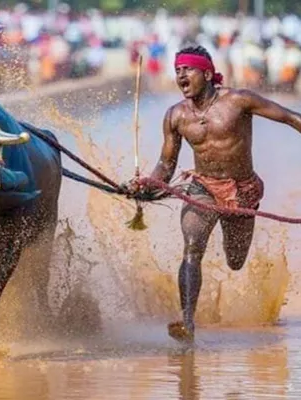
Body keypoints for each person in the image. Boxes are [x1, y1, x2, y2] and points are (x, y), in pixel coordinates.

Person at [124, 45, 301, 344]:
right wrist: (146, 185)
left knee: (235, 260)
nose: (180, 75)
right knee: (192, 246)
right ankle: (187, 321)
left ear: (206, 74)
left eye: (187, 69)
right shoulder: (175, 116)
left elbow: (290, 117)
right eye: (177, 69)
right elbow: (166, 166)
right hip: (202, 188)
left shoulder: (239, 100)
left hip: (242, 192)